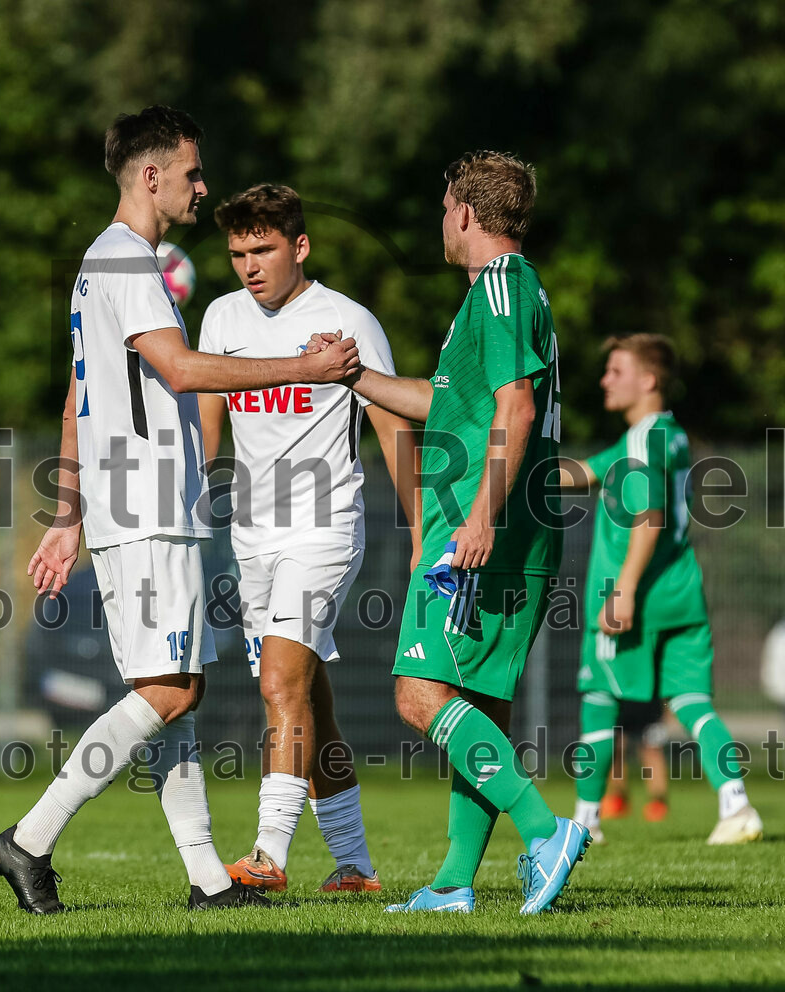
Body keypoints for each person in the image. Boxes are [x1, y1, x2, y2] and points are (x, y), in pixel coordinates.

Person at [0, 106, 359, 913]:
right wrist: (305, 365)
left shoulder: (103, 265)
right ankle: (30, 839)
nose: (203, 185)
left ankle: (207, 880)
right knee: (171, 694)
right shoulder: (124, 262)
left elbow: (79, 396)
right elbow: (183, 372)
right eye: (193, 171)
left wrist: (68, 510)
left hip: (135, 503)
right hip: (149, 506)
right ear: (151, 176)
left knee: (174, 687)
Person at [309, 150, 587, 915]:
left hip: (483, 525)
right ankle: (454, 883)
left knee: (420, 694)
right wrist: (352, 376)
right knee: (477, 704)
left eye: (442, 209)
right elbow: (445, 404)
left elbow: (516, 408)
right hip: (510, 524)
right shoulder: (508, 294)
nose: (441, 223)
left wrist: (478, 516)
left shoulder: (499, 287)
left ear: (464, 212)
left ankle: (545, 830)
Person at [196, 184, 420, 893]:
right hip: (253, 537)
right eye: (237, 253)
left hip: (324, 531)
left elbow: (391, 426)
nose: (249, 266)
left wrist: (420, 533)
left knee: (277, 682)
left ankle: (267, 856)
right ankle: (355, 867)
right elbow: (208, 425)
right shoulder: (221, 316)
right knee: (310, 701)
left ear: (300, 247)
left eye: (263, 249)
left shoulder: (347, 321)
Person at [558, 334, 763, 845]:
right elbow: (585, 472)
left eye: (615, 370)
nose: (605, 379)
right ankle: (736, 805)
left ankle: (586, 820)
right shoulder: (669, 435)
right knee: (692, 700)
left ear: (647, 380)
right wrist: (517, 461)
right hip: (681, 589)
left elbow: (647, 516)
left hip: (638, 591)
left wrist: (623, 587)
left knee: (600, 696)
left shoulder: (641, 442)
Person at [600, 697, 671, 824]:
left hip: (648, 698)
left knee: (652, 749)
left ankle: (658, 803)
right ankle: (618, 800)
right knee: (615, 747)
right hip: (619, 697)